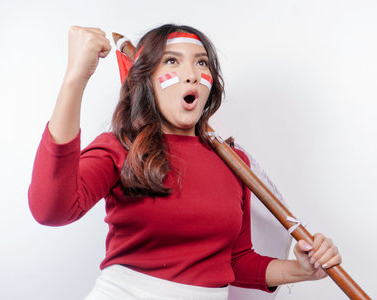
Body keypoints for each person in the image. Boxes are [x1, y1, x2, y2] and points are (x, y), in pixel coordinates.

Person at [28, 24, 342, 300]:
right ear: (146, 80)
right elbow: (51, 209)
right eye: (172, 61)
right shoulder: (119, 148)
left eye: (201, 62)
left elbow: (235, 261)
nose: (191, 73)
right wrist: (75, 78)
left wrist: (301, 269)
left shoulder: (232, 161)